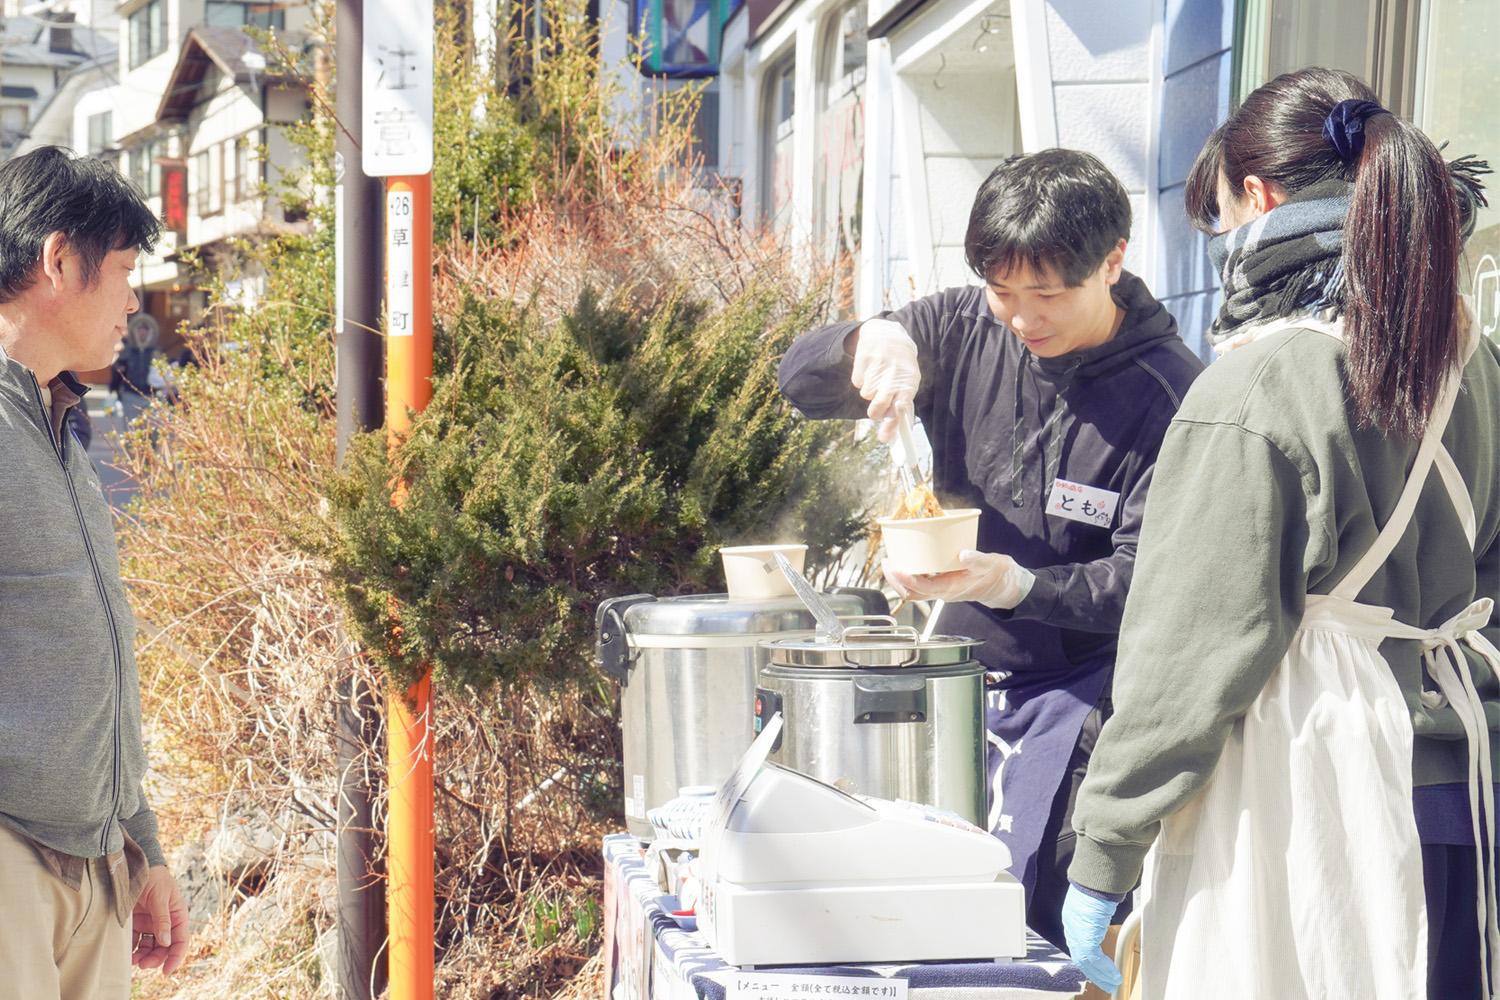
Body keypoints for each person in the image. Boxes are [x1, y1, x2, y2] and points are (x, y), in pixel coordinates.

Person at [1063, 68, 1499, 1000]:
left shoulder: (1257, 387)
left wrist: (1103, 850)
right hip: (1466, 798)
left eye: (1218, 220)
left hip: (1316, 802)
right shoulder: (1479, 360)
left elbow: (1185, 653)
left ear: (1257, 199)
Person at [777, 148, 1204, 953]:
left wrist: (1016, 586)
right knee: (917, 908)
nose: (1022, 318)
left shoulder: (1171, 393)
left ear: (1113, 263)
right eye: (1004, 292)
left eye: (1048, 295)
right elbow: (798, 382)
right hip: (956, 673)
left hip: (1089, 694)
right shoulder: (964, 325)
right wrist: (874, 341)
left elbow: (1155, 577)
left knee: (1035, 915)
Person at [0, 145, 190, 997]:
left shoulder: (57, 416)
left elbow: (93, 656)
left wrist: (140, 844)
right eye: (121, 271)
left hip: (95, 863)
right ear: (57, 261)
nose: (132, 302)